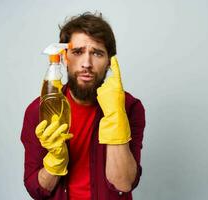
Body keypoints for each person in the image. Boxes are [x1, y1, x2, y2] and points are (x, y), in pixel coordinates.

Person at [21, 12, 145, 200]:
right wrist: (55, 160)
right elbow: (36, 190)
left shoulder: (130, 107)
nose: (86, 64)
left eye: (97, 53)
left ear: (109, 61)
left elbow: (124, 183)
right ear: (64, 58)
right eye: (78, 52)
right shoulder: (38, 110)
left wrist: (115, 115)